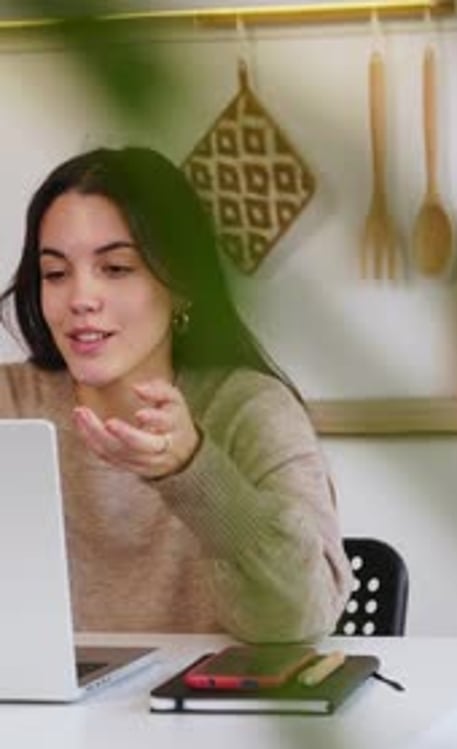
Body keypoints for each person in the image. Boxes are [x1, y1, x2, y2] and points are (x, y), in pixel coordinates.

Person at [0, 146, 352, 642]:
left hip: (209, 716)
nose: (80, 299)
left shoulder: (252, 410)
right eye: (55, 274)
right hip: (35, 720)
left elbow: (297, 618)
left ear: (181, 284)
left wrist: (190, 467)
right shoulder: (10, 404)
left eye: (116, 268)